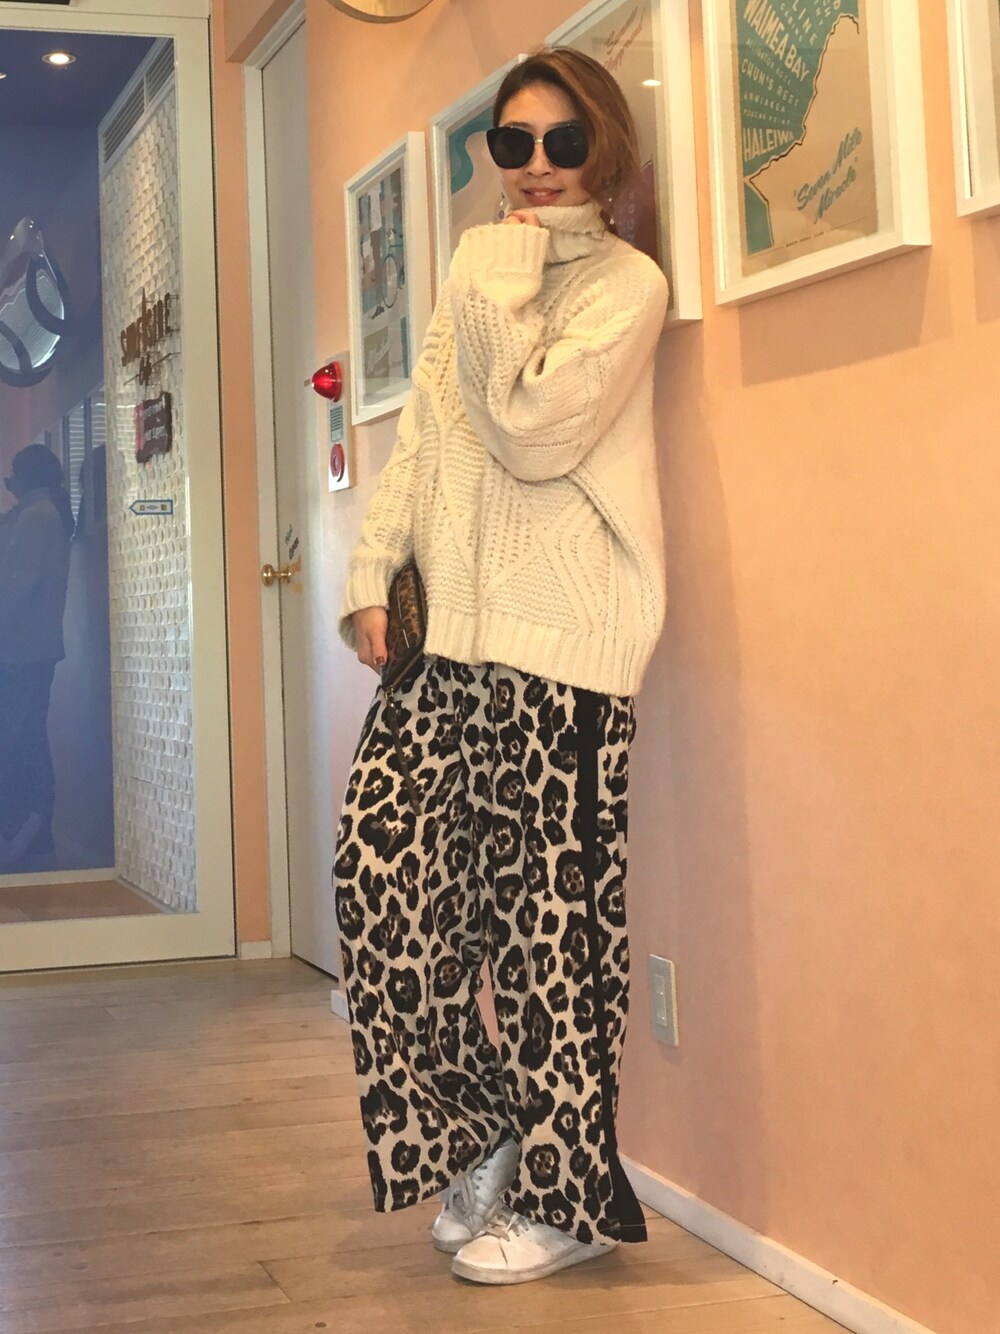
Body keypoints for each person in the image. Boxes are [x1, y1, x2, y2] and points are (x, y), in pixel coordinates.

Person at [334, 47, 669, 1287]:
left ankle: (571, 1197)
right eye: (511, 143)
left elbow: (532, 429)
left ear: (604, 149)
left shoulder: (624, 286)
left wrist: (499, 275)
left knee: (547, 937)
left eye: (561, 142)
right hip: (444, 647)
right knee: (381, 891)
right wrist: (370, 572)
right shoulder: (475, 275)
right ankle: (485, 1129)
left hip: (560, 650)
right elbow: (425, 439)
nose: (535, 166)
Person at [0, 443, 73, 869]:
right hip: (32, 648)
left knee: (20, 739)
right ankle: (31, 833)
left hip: (20, 650)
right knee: (25, 735)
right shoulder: (43, 514)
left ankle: (27, 831)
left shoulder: (37, 516)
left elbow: (17, 586)